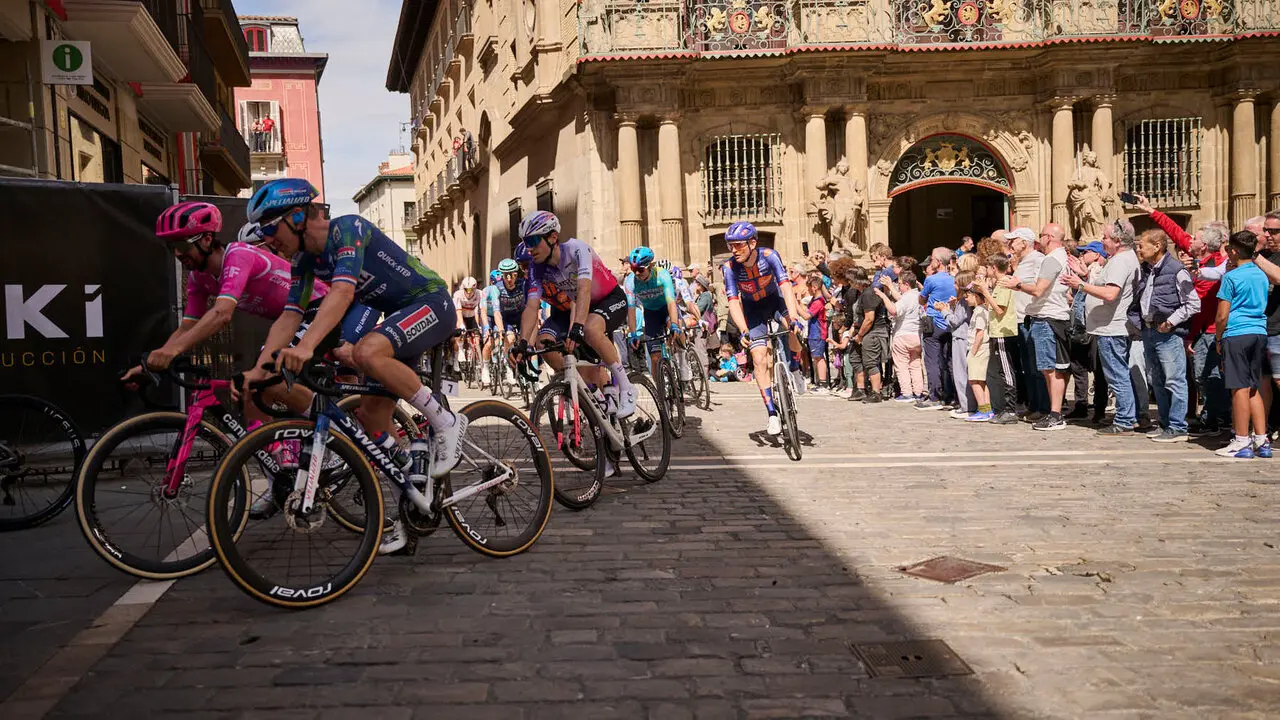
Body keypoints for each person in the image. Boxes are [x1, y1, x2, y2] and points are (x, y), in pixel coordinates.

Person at [241, 178, 466, 555]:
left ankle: (446, 421)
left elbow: (344, 293)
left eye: (269, 229)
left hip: (430, 301)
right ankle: (411, 511)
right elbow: (290, 316)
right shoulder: (305, 261)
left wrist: (307, 347)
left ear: (297, 216)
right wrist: (261, 367)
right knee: (373, 423)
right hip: (398, 318)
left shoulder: (347, 228)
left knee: (364, 352)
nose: (267, 240)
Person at [126, 201, 357, 422]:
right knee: (251, 388)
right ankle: (272, 455)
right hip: (290, 320)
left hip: (316, 308)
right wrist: (154, 363)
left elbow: (222, 313)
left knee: (267, 377)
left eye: (182, 245)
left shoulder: (238, 254)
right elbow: (187, 326)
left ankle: (338, 430)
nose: (177, 254)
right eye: (171, 247)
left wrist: (173, 351)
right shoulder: (199, 278)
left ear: (207, 239)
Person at [513, 210, 637, 418]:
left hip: (610, 299)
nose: (530, 248)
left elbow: (583, 290)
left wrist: (577, 326)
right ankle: (596, 395)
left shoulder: (576, 249)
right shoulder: (536, 268)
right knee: (545, 344)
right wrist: (523, 343)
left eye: (533, 240)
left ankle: (626, 387)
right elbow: (532, 307)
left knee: (589, 328)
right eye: (526, 242)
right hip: (585, 307)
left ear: (552, 237)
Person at [720, 221, 805, 436]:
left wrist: (793, 317)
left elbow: (785, 286)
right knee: (759, 358)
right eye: (730, 245)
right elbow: (733, 301)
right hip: (752, 308)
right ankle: (772, 414)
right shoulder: (730, 267)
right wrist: (743, 330)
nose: (733, 250)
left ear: (752, 243)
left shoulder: (769, 255)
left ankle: (794, 368)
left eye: (738, 245)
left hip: (775, 301)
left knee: (793, 329)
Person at [1062, 219, 1141, 435]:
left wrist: (1079, 284)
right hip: (1111, 326)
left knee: (1116, 375)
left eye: (1105, 237)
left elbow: (1110, 293)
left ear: (1117, 240)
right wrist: (1086, 276)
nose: (1102, 241)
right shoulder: (1123, 259)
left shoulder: (1119, 261)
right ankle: (1129, 416)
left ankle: (1125, 419)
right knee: (1118, 373)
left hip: (1111, 327)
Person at [1129, 229, 1199, 442]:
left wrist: (1171, 322)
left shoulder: (1176, 270)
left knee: (1174, 379)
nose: (1138, 249)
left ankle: (1178, 426)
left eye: (1142, 245)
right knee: (1156, 380)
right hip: (1149, 330)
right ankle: (1166, 423)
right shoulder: (1148, 270)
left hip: (1167, 333)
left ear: (1157, 246)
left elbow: (1193, 303)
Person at [1004, 223, 1072, 430]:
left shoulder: (1049, 259)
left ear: (1049, 238)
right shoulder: (1052, 258)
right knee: (1045, 369)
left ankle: (1052, 412)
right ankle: (1049, 411)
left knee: (1049, 369)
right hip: (1040, 316)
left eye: (1041, 235)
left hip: (1047, 317)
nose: (1039, 239)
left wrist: (1016, 284)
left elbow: (1039, 289)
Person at [1214, 231, 1271, 458]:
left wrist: (1219, 339)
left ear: (1234, 251)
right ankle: (1261, 439)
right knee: (1253, 387)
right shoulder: (1261, 274)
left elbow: (1221, 315)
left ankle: (1241, 441)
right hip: (1259, 332)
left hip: (1237, 333)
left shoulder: (1231, 277)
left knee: (1239, 388)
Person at [623, 246, 684, 403]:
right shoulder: (630, 281)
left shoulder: (662, 275)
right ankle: (661, 392)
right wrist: (633, 333)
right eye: (633, 268)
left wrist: (675, 324)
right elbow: (630, 309)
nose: (636, 273)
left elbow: (671, 303)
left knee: (675, 329)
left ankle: (680, 358)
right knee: (655, 357)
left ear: (650, 265)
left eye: (640, 270)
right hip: (650, 314)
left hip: (666, 310)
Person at [974, 253, 1019, 424]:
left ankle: (1010, 410)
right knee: (1001, 371)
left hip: (1003, 333)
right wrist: (983, 291)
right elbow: (991, 306)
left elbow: (1000, 310)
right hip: (996, 331)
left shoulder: (1005, 283)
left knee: (1007, 372)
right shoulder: (998, 284)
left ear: (994, 268)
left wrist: (985, 291)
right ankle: (1004, 409)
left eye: (988, 267)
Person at [877, 270, 926, 402]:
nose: (898, 287)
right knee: (915, 364)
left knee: (902, 365)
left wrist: (884, 297)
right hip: (917, 334)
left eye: (899, 284)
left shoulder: (906, 297)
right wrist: (891, 287)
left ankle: (907, 393)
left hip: (903, 334)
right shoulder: (918, 295)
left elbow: (894, 310)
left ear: (906, 284)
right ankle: (918, 392)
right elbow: (902, 299)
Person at [918, 247, 957, 410]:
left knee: (932, 360)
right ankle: (951, 395)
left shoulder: (931, 280)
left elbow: (922, 299)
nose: (931, 261)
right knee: (949, 360)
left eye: (933, 259)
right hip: (950, 322)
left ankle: (935, 395)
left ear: (939, 262)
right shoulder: (954, 279)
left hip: (934, 323)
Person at [851, 267, 890, 404]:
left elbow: (869, 318)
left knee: (871, 362)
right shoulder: (863, 293)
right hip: (865, 331)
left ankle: (876, 392)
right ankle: (861, 390)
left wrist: (860, 335)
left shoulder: (868, 294)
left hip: (873, 332)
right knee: (856, 359)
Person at [963, 277, 992, 421]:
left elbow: (979, 333)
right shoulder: (983, 310)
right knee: (981, 380)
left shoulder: (979, 311)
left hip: (978, 350)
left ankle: (983, 409)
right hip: (983, 349)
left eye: (967, 296)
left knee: (974, 380)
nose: (966, 299)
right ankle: (988, 409)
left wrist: (972, 353)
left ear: (975, 296)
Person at [452, 276, 490, 383]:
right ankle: (459, 351)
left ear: (475, 288)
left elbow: (482, 312)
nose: (468, 293)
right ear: (463, 288)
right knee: (460, 331)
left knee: (477, 338)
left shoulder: (480, 294)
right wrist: (461, 325)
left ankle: (478, 361)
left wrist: (484, 326)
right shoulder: (458, 295)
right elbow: (458, 312)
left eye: (471, 290)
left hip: (472, 317)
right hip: (462, 316)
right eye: (466, 290)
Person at [798, 273, 831, 394]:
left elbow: (806, 315)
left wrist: (795, 304)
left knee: (819, 357)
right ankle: (819, 382)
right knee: (816, 358)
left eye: (809, 287)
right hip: (813, 332)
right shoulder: (814, 300)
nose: (808, 290)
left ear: (815, 287)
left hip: (818, 333)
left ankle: (823, 384)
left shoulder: (819, 301)